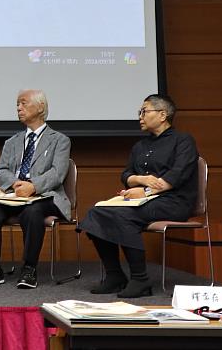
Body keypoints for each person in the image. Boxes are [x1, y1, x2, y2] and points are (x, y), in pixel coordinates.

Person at [79, 94, 198, 298]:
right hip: (142, 199)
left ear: (163, 115)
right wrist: (140, 181)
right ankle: (115, 275)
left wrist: (146, 191)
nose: (140, 117)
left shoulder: (183, 140)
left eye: (144, 111)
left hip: (174, 201)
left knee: (123, 215)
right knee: (96, 213)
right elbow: (125, 175)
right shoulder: (140, 146)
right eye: (139, 113)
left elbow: (176, 175)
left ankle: (140, 280)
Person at [0, 89, 70, 289]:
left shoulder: (59, 140)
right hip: (14, 196)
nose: (19, 108)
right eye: (17, 104)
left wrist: (33, 186)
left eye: (24, 103)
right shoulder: (11, 142)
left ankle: (29, 268)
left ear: (40, 107)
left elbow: (58, 173)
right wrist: (14, 184)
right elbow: (1, 170)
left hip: (45, 196)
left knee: (32, 212)